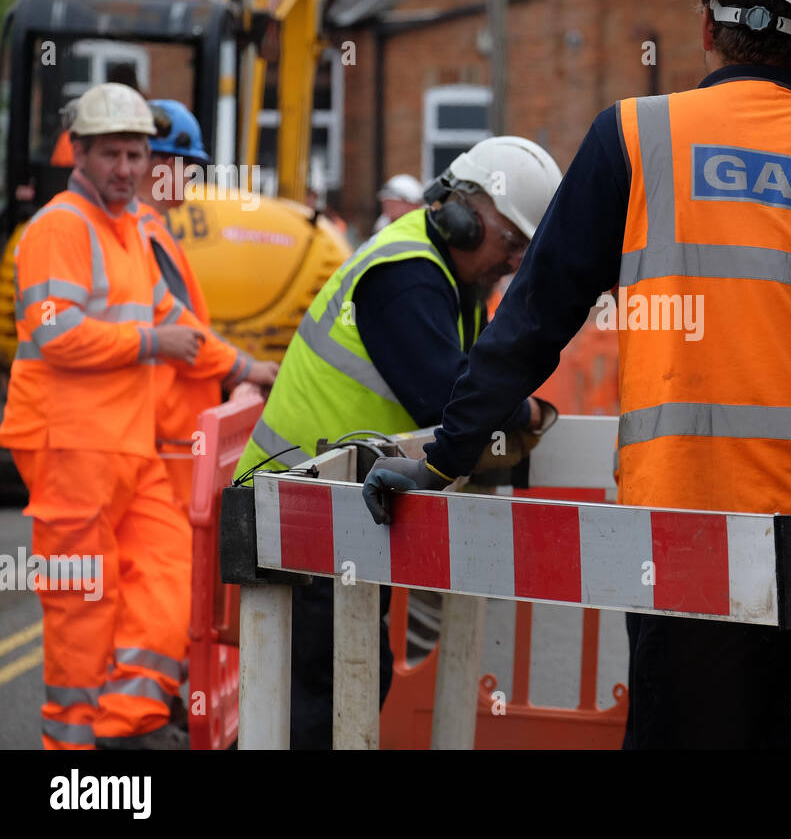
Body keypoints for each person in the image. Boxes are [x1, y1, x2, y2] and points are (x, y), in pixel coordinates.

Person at [362, 0, 791, 749]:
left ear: (708, 26)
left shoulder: (636, 138)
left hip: (685, 528)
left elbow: (534, 318)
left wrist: (443, 455)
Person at [233, 135, 563, 749]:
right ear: (463, 214)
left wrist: (508, 403)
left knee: (341, 683)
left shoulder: (451, 281)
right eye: (510, 241)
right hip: (293, 512)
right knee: (321, 695)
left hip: (333, 510)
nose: (514, 261)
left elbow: (481, 382)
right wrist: (523, 409)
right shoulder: (406, 276)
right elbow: (454, 401)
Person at [0, 82, 226, 749]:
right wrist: (153, 345)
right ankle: (74, 753)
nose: (126, 168)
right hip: (70, 445)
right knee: (82, 607)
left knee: (168, 582)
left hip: (124, 446)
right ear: (81, 154)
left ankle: (127, 722)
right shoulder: (60, 228)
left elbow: (171, 317)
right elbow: (52, 333)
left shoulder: (126, 228)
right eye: (111, 155)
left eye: (135, 153)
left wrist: (243, 368)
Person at [137, 99, 279, 511]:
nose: (192, 179)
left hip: (170, 428)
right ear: (161, 163)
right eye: (189, 166)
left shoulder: (151, 230)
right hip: (167, 433)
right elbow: (179, 326)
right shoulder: (146, 233)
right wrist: (245, 367)